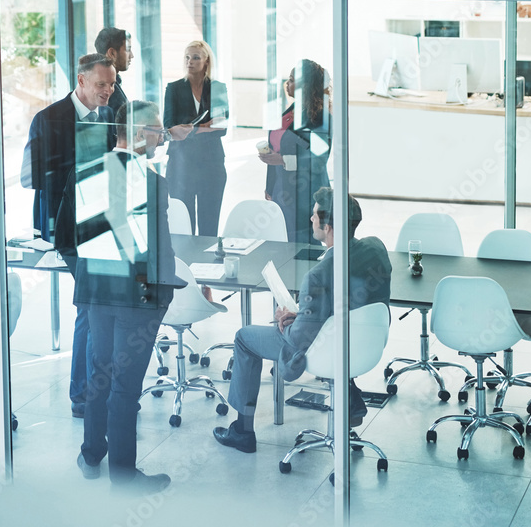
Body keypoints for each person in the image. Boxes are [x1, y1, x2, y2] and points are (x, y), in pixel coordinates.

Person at [212, 186, 392, 454]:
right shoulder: (376, 248)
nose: (310, 220)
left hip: (327, 350)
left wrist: (288, 321)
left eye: (315, 216)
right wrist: (305, 313)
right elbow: (348, 304)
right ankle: (350, 401)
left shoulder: (318, 275)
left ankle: (242, 432)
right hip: (364, 345)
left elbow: (298, 340)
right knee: (320, 327)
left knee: (244, 338)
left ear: (328, 226)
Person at [73, 100, 176, 494]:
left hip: (97, 296)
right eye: (157, 132)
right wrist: (163, 298)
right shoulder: (153, 182)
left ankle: (91, 455)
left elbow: (69, 240)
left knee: (99, 375)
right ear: (136, 133)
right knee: (125, 386)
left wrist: (90, 281)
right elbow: (160, 251)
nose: (161, 140)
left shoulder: (87, 172)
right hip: (137, 300)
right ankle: (124, 476)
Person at [21, 53, 116, 418]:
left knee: (96, 306)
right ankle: (83, 395)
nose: (108, 91)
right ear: (81, 81)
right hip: (66, 227)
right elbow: (31, 179)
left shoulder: (106, 116)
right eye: (101, 85)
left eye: (111, 85)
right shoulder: (49, 119)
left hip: (99, 223)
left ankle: (96, 390)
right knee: (91, 306)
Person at [259, 59, 332, 242]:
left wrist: (284, 160)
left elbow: (319, 159)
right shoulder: (289, 112)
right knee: (283, 242)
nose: (287, 84)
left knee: (302, 248)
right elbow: (277, 148)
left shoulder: (320, 118)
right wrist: (270, 186)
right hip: (281, 190)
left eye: (291, 79)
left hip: (304, 193)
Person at [163, 39, 229, 236]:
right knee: (184, 224)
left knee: (209, 226)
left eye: (195, 57)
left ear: (206, 61)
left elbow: (221, 127)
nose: (189, 61)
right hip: (181, 165)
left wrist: (190, 129)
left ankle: (208, 266)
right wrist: (204, 126)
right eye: (186, 57)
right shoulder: (174, 88)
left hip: (212, 166)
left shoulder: (217, 88)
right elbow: (170, 127)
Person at [95, 26, 133, 116]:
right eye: (128, 49)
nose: (132, 55)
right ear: (112, 53)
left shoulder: (109, 83)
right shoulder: (107, 90)